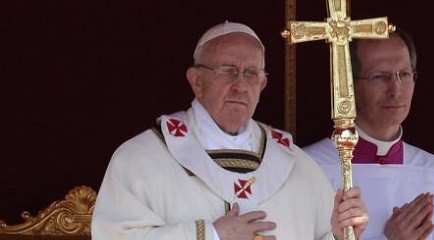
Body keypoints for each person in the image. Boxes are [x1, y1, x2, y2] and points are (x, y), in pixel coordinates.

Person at [92, 21, 369, 240]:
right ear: (197, 81)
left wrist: (337, 235)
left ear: (262, 85)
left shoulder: (297, 165)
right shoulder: (142, 158)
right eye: (228, 70)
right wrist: (212, 235)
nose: (240, 85)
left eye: (252, 74)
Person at [303, 28, 434, 240]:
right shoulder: (307, 170)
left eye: (403, 75)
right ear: (349, 86)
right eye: (380, 77)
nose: (395, 90)